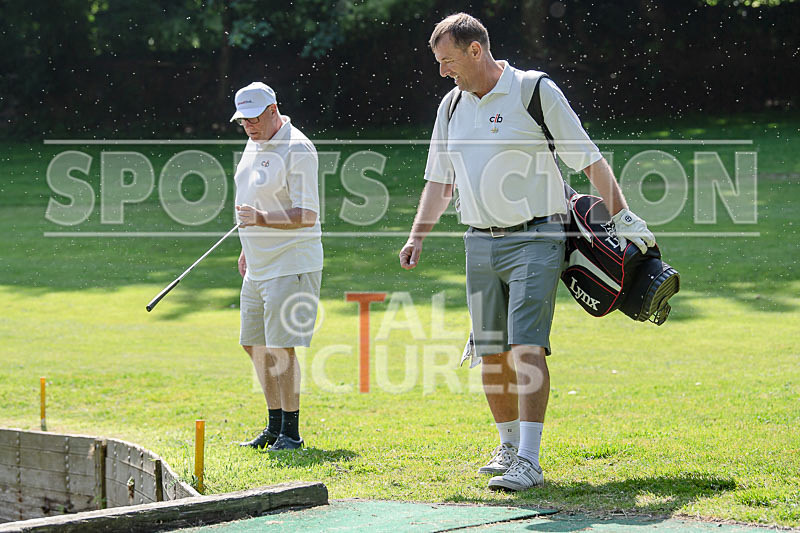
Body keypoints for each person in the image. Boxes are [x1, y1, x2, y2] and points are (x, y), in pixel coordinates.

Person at [399, 13, 655, 491]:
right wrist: (417, 235)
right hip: (478, 240)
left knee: (526, 347)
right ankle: (509, 446)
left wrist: (621, 217)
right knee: (491, 352)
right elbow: (439, 180)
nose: (442, 72)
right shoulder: (451, 107)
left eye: (447, 60)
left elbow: (589, 158)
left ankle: (531, 462)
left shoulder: (533, 91)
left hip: (538, 235)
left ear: (476, 51)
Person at [230, 82, 323, 451]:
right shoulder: (254, 143)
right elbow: (252, 195)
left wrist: (261, 220)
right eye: (243, 120)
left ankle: (292, 433)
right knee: (253, 344)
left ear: (273, 110)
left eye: (254, 118)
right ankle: (272, 426)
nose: (249, 126)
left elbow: (308, 213)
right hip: (258, 263)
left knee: (281, 347)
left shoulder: (297, 148)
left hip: (291, 261)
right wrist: (246, 247)